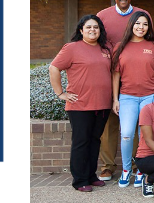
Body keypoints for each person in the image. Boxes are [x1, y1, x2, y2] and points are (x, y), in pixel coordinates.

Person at [48, 15, 114, 192]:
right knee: (81, 142)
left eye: (96, 27)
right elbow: (54, 67)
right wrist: (60, 93)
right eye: (89, 27)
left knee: (95, 141)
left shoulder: (106, 49)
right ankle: (80, 180)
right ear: (81, 30)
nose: (93, 30)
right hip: (80, 105)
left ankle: (91, 176)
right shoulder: (72, 48)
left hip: (102, 105)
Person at [96, 0, 150, 181]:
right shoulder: (103, 16)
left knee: (134, 123)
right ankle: (108, 165)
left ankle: (137, 163)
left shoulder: (142, 14)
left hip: (133, 78)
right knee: (109, 122)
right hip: (107, 73)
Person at [111, 11, 154, 188]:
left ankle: (142, 170)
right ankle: (127, 170)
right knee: (127, 134)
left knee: (145, 135)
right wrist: (115, 99)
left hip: (150, 96)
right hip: (127, 96)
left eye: (144, 24)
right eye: (138, 24)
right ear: (131, 25)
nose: (141, 27)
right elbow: (116, 75)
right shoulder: (120, 47)